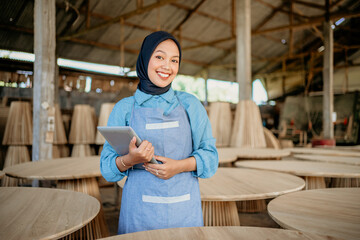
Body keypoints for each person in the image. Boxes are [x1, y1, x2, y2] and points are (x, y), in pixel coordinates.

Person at [100, 31, 218, 234]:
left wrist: (180, 166)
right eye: (159, 57)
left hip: (184, 210)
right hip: (139, 212)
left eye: (174, 60)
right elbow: (107, 170)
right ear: (145, 59)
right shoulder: (125, 108)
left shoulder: (190, 104)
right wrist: (130, 159)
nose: (167, 66)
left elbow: (211, 159)